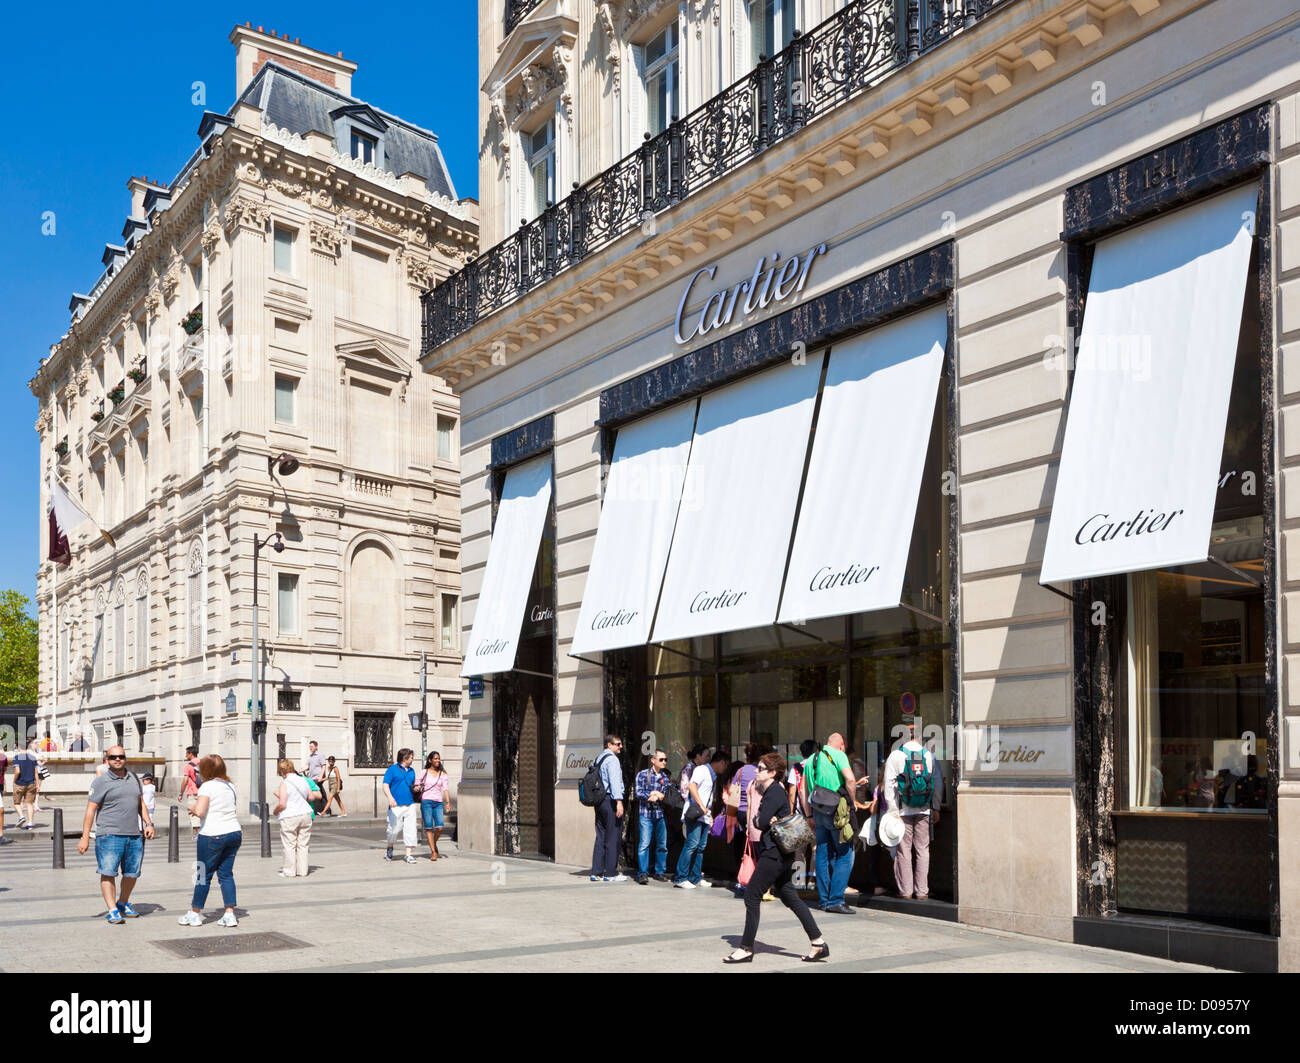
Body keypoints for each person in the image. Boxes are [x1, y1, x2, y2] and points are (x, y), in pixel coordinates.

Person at [725, 753, 828, 964]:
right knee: (789, 895)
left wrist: (762, 819)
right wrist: (764, 819)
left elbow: (759, 822)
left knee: (751, 896)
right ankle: (818, 942)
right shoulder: (771, 790)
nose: (757, 770)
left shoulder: (773, 792)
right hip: (782, 853)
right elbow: (763, 820)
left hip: (773, 854)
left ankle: (745, 948)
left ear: (772, 773)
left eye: (761, 768)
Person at [76, 745, 155, 924]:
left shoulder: (134, 778)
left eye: (121, 756)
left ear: (125, 758)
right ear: (107, 760)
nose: (117, 759)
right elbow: (90, 809)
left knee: (132, 874)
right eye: (113, 757)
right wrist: (85, 836)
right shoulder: (100, 782)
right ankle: (112, 909)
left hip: (134, 834)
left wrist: (148, 823)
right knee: (108, 872)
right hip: (109, 834)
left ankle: (123, 902)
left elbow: (140, 803)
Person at [800, 732, 866, 914]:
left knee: (822, 853)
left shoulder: (812, 759)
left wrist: (808, 815)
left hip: (818, 812)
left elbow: (803, 790)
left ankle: (824, 900)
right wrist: (852, 802)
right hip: (837, 812)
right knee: (846, 853)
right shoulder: (838, 755)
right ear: (841, 744)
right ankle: (836, 899)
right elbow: (850, 779)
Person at [178, 755, 243, 927]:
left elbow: (199, 811)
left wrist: (191, 806)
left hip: (212, 834)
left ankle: (194, 913)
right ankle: (229, 914)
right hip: (234, 832)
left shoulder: (207, 786)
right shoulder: (230, 786)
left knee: (202, 875)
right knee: (226, 874)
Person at [883, 718, 944, 900]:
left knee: (904, 850)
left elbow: (888, 785)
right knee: (923, 849)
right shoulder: (929, 755)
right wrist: (936, 807)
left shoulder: (896, 755)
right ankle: (922, 891)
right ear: (919, 736)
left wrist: (893, 811)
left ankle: (906, 891)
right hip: (924, 809)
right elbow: (937, 782)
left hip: (902, 811)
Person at [676, 749, 729, 889]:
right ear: (721, 762)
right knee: (691, 844)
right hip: (695, 813)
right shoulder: (701, 770)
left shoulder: (713, 775)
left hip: (704, 814)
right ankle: (681, 877)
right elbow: (691, 786)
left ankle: (695, 877)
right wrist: (701, 806)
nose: (725, 768)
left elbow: (707, 796)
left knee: (700, 847)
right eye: (725, 765)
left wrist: (709, 813)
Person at [590, 735, 627, 883]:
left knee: (601, 836)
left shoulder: (598, 758)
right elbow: (615, 781)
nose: (620, 747)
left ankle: (596, 872)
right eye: (618, 744)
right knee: (613, 837)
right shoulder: (612, 760)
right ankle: (610, 873)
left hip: (599, 801)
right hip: (610, 800)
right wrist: (619, 801)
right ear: (609, 745)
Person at [634, 748, 672, 884]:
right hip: (646, 814)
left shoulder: (664, 777)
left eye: (665, 760)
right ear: (653, 760)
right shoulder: (642, 775)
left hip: (660, 814)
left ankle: (659, 871)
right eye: (661, 759)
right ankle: (642, 872)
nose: (664, 762)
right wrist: (652, 794)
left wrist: (660, 795)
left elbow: (667, 794)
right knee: (644, 843)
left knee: (662, 844)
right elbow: (638, 792)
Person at [273, 759, 314, 878]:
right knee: (303, 844)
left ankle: (289, 871)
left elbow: (282, 804)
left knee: (289, 844)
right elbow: (311, 797)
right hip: (305, 814)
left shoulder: (284, 783)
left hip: (290, 816)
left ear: (282, 772)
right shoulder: (303, 780)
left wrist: (275, 811)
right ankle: (302, 871)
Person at [383, 748, 419, 863]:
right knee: (393, 829)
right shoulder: (392, 770)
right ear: (405, 758)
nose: (413, 759)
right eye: (411, 757)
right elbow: (385, 785)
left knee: (411, 829)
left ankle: (408, 855)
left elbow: (412, 786)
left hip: (410, 804)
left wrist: (416, 788)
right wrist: (390, 797)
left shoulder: (412, 771)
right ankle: (390, 846)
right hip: (395, 806)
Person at [417, 751, 452, 860]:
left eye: (438, 759)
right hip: (426, 801)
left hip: (438, 803)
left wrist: (448, 802)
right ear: (430, 760)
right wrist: (417, 787)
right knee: (428, 828)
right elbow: (417, 783)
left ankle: (433, 843)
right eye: (435, 759)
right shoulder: (424, 772)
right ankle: (433, 852)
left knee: (440, 828)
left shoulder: (443, 774)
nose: (437, 761)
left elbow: (445, 789)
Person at [12, 742, 39, 829]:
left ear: (18, 747)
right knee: (29, 803)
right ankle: (30, 823)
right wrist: (37, 784)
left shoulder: (17, 757)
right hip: (31, 783)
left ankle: (21, 817)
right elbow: (36, 773)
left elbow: (17, 771)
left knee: (17, 802)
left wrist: (14, 780)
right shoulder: (33, 758)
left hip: (20, 783)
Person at [181, 746, 202, 837]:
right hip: (203, 792)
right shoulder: (203, 763)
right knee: (203, 812)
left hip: (193, 792)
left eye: (186, 753)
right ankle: (204, 832)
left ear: (190, 754)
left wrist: (181, 793)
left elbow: (185, 781)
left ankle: (198, 834)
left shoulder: (188, 766)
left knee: (193, 812)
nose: (186, 755)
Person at [304, 741, 326, 811]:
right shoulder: (310, 756)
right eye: (310, 746)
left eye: (312, 746)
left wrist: (320, 777)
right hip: (311, 778)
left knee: (318, 793)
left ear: (316, 747)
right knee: (320, 792)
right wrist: (299, 770)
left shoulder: (320, 755)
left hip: (317, 778)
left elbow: (323, 766)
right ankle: (325, 809)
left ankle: (326, 810)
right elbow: (307, 766)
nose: (310, 748)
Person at [0, 746, 8, 844]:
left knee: (1, 810)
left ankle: (0, 835)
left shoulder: (3, 757)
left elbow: (4, 772)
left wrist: (5, 785)